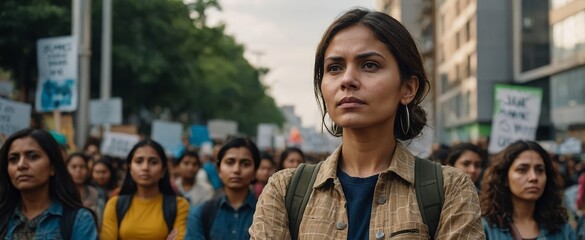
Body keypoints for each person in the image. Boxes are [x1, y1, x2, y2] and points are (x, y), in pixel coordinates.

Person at [249, 8, 484, 239]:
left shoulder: (451, 189)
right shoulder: (284, 189)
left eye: (370, 65)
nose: (347, 79)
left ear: (408, 88)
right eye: (334, 68)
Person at [0, 128, 98, 239]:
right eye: (13, 159)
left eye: (33, 156)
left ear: (52, 167)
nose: (21, 165)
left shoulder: (78, 220)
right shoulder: (3, 218)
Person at [481, 140, 575, 239]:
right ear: (504, 178)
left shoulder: (562, 230)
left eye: (540, 170)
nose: (533, 177)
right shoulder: (484, 229)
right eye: (522, 169)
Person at [100, 139, 189, 240]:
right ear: (130, 169)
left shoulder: (179, 206)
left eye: (153, 162)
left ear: (163, 170)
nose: (145, 167)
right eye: (139, 161)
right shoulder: (115, 204)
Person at [185, 137, 260, 240]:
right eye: (230, 162)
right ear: (219, 169)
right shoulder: (201, 213)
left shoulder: (266, 215)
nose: (236, 170)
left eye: (245, 164)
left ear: (255, 172)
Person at [66, 152, 106, 225]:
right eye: (74, 167)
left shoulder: (96, 193)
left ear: (88, 170)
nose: (78, 171)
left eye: (82, 167)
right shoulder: (60, 192)